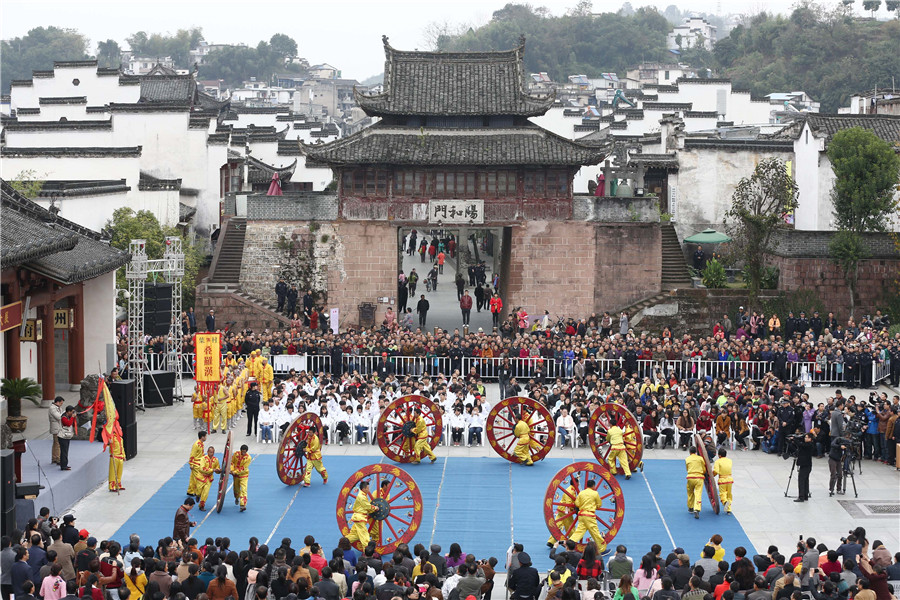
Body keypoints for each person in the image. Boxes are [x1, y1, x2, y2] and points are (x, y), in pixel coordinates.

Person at [567, 480, 607, 553]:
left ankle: (569, 544)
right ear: (593, 486)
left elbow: (577, 503)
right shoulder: (595, 493)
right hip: (590, 515)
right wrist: (594, 506)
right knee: (595, 532)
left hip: (581, 515)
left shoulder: (581, 493)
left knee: (579, 531)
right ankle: (602, 549)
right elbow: (599, 504)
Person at [546, 477, 577, 547]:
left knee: (558, 524)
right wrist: (575, 508)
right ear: (576, 483)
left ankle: (551, 541)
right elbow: (569, 503)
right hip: (566, 511)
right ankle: (573, 541)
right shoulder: (571, 491)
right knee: (570, 526)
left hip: (560, 509)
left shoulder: (569, 489)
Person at [346, 480, 376, 548]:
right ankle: (367, 552)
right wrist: (375, 508)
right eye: (368, 488)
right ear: (364, 489)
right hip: (360, 518)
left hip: (358, 517)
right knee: (365, 536)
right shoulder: (362, 497)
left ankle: (343, 543)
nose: (369, 490)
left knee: (355, 535)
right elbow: (367, 506)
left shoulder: (362, 495)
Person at [196, 446, 222, 512]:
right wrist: (212, 470)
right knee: (199, 491)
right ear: (207, 452)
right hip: (201, 477)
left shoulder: (216, 460)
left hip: (209, 479)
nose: (212, 454)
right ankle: (198, 495)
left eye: (213, 452)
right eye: (210, 452)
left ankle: (201, 505)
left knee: (205, 493)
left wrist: (219, 470)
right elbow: (202, 469)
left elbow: (217, 469)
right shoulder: (203, 459)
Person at [685, 446, 705, 519]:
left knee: (690, 492)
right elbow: (704, 468)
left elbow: (687, 468)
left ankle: (690, 507)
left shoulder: (687, 459)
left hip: (690, 477)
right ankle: (697, 509)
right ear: (696, 452)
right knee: (698, 493)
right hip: (699, 478)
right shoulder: (700, 458)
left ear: (690, 452)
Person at [794, 433, 815, 502]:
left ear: (810, 439)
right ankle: (805, 495)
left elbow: (800, 445)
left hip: (806, 465)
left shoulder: (809, 445)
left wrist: (795, 439)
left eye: (807, 437)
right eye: (805, 437)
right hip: (805, 465)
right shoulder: (806, 444)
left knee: (802, 480)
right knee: (805, 480)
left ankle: (801, 497)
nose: (805, 438)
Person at [713, 448, 733, 514]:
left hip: (722, 480)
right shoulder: (730, 461)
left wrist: (712, 475)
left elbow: (716, 471)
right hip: (730, 479)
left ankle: (725, 502)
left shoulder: (718, 461)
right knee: (729, 494)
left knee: (722, 494)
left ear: (719, 455)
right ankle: (729, 509)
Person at [187, 431, 207, 498]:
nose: (206, 437)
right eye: (205, 436)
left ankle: (190, 491)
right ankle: (195, 491)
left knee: (193, 478)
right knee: (197, 478)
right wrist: (191, 464)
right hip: (196, 464)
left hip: (199, 462)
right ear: (202, 437)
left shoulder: (201, 444)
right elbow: (193, 454)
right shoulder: (196, 444)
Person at [231, 444, 251, 512]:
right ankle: (236, 498)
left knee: (243, 490)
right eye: (242, 451)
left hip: (243, 475)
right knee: (236, 489)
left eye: (245, 452)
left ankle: (243, 504)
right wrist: (231, 470)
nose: (243, 453)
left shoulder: (248, 458)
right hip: (236, 476)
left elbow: (244, 468)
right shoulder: (236, 454)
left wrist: (235, 472)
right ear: (240, 450)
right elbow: (231, 462)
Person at [57, 405, 76, 471]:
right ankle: (63, 465)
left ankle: (65, 464)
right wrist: (72, 418)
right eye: (72, 412)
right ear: (69, 411)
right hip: (63, 436)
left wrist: (73, 417)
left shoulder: (68, 416)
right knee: (64, 451)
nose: (73, 413)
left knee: (65, 451)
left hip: (66, 436)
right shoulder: (64, 417)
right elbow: (68, 424)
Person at [49, 396, 65, 465]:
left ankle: (54, 458)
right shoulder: (52, 408)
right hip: (56, 428)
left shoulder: (57, 408)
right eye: (61, 403)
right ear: (57, 402)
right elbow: (58, 417)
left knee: (55, 443)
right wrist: (65, 414)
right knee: (58, 443)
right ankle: (58, 458)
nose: (61, 404)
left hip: (58, 427)